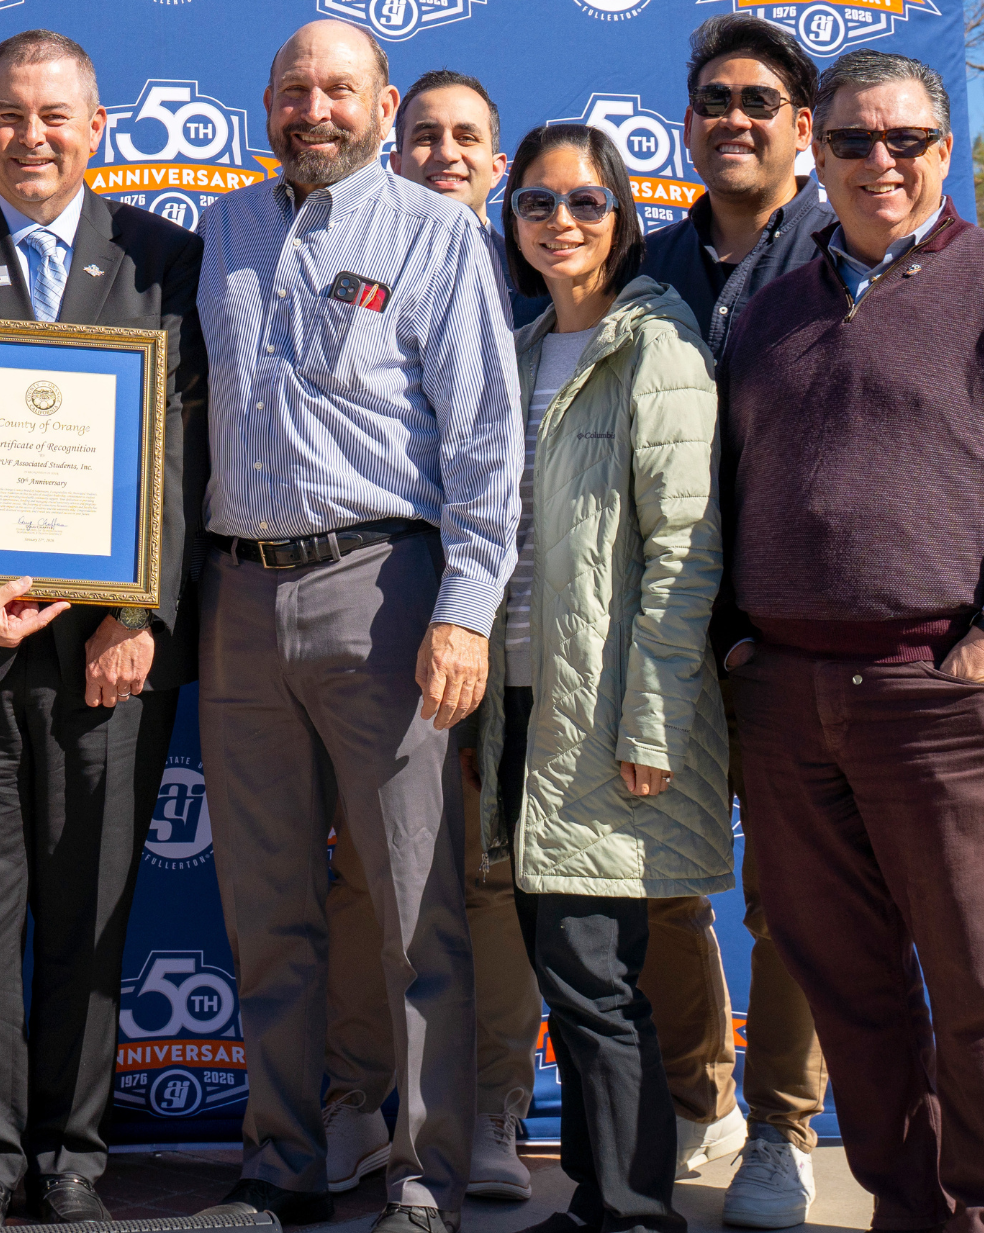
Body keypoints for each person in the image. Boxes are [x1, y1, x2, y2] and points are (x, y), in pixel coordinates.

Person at [715, 50, 984, 1233]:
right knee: (848, 992)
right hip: (789, 702)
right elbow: (730, 487)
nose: (879, 162)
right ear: (817, 152)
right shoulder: (772, 308)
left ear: (945, 151)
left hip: (946, 693)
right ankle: (907, 1210)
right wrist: (744, 644)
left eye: (904, 140)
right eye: (852, 141)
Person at [0, 29, 208, 1229]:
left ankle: (72, 1151)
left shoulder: (167, 258)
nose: (33, 137)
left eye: (56, 115)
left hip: (107, 660)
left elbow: (182, 449)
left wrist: (139, 608)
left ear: (97, 126)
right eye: (11, 115)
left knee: (91, 907)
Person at [194, 19, 520, 1233]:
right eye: (292, 88)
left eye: (339, 88)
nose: (313, 107)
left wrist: (467, 612)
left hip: (383, 591)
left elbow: (487, 441)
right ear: (265, 102)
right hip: (238, 598)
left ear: (384, 105)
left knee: (409, 903)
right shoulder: (222, 230)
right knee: (268, 906)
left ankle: (423, 1171)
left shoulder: (437, 235)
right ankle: (280, 1160)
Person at [480, 120, 726, 1233]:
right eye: (538, 203)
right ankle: (595, 1199)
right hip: (517, 703)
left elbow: (685, 551)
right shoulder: (524, 349)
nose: (561, 223)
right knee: (566, 975)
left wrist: (652, 718)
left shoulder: (655, 349)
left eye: (585, 203)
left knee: (592, 978)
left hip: (605, 707)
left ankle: (634, 1212)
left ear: (622, 218)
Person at [322, 66, 540, 1206]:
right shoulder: (365, 261)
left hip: (520, 630)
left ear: (496, 164)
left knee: (488, 879)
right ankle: (363, 1104)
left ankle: (491, 1106)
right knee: (374, 872)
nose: (446, 152)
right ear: (392, 151)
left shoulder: (553, 279)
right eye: (424, 136)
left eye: (469, 138)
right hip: (406, 610)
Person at [635, 14, 832, 1226]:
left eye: (760, 102)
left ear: (801, 128)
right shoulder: (645, 264)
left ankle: (782, 1127)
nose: (735, 121)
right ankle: (697, 1094)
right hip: (666, 631)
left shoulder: (842, 256)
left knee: (791, 895)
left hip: (799, 634)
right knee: (656, 884)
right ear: (689, 123)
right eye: (714, 101)